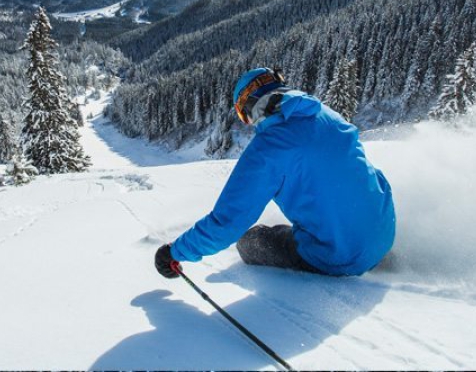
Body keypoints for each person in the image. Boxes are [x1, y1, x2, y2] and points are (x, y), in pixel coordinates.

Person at [155, 67, 395, 278]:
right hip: (385, 231)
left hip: (338, 257)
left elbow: (227, 222)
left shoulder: (268, 148)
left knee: (250, 241)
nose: (247, 122)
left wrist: (174, 252)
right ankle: (367, 246)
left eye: (242, 115)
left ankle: (341, 251)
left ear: (249, 108)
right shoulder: (327, 114)